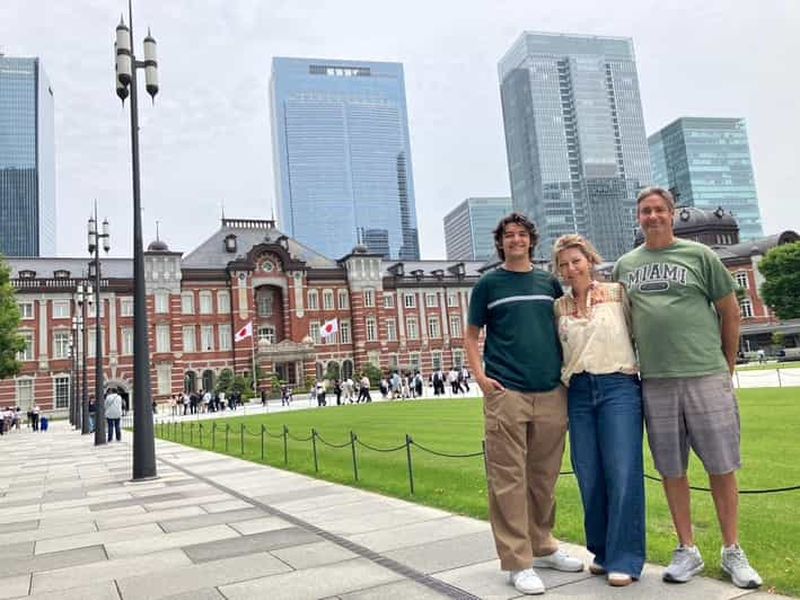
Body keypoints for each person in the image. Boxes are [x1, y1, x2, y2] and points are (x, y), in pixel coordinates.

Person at [613, 186, 762, 590]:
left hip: (705, 375)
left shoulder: (701, 256)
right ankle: (687, 549)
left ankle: (732, 550)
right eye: (646, 211)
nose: (653, 216)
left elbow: (730, 313)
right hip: (656, 381)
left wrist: (726, 368)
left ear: (672, 214)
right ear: (638, 217)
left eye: (660, 210)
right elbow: (622, 323)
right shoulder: (625, 265)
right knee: (671, 469)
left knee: (721, 466)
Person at [464, 212, 582, 596]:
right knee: (508, 480)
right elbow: (471, 336)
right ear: (501, 243)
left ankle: (543, 546)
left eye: (521, 234)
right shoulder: (488, 284)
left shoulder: (548, 282)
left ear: (531, 241)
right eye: (509, 236)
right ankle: (518, 561)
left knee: (544, 479)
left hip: (550, 391)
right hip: (506, 393)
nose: (515, 240)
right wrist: (481, 379)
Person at [553, 234, 645, 587]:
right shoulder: (558, 308)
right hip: (578, 392)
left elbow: (641, 333)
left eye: (576, 261)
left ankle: (626, 558)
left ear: (590, 260)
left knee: (622, 473)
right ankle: (604, 552)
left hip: (618, 387)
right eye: (563, 264)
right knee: (588, 474)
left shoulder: (619, 294)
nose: (571, 268)